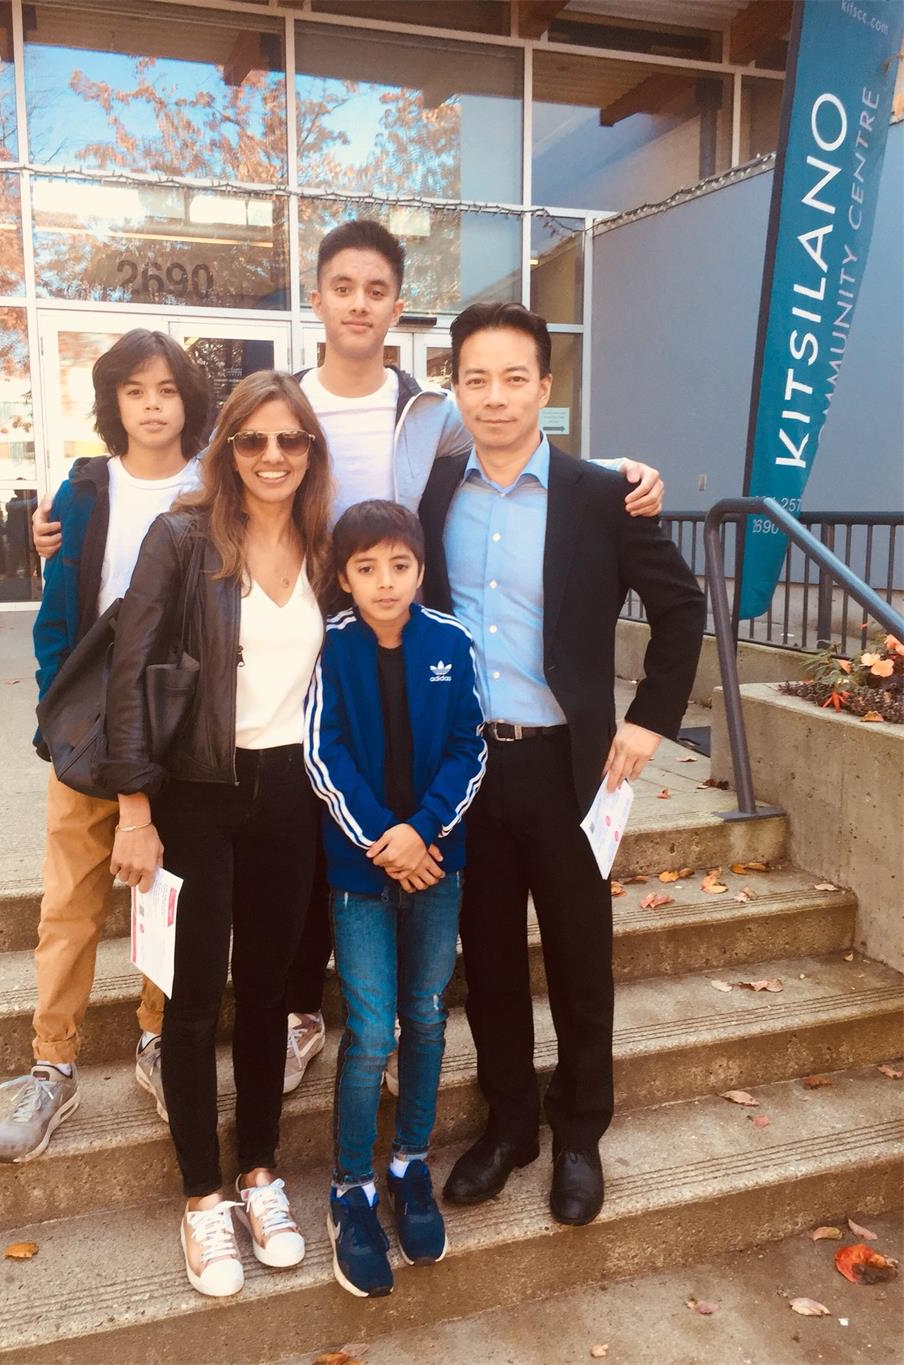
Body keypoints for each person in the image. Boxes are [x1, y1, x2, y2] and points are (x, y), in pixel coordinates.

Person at [33, 219, 667, 1096]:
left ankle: (402, 1024)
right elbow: (187, 487)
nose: (359, 304)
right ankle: (290, 1015)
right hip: (282, 657)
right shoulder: (278, 405)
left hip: (402, 659)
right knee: (301, 850)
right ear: (318, 299)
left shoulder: (432, 415)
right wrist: (67, 521)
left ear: (398, 307)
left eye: (376, 291)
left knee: (392, 830)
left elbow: (512, 454)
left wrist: (612, 471)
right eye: (343, 288)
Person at [418, 303, 706, 1228]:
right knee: (491, 959)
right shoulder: (435, 491)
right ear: (455, 388)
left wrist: (650, 720)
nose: (495, 396)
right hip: (470, 769)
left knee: (581, 959)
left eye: (515, 378)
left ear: (545, 386)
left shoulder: (599, 493)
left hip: (570, 768)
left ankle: (579, 1130)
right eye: (476, 378)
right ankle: (510, 1125)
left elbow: (682, 606)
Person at [99, 371, 332, 1298]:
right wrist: (134, 809)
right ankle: (202, 1194)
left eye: (290, 440)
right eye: (253, 439)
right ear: (227, 447)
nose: (273, 456)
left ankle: (260, 1171)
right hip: (196, 794)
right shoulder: (183, 537)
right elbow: (130, 672)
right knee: (194, 1003)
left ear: (310, 450)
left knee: (270, 994)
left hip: (292, 795)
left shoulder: (323, 541)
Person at [0, 330, 210, 1163]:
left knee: (164, 900)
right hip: (89, 728)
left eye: (167, 389)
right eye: (135, 391)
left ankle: (157, 1037)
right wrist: (57, 715)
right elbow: (57, 613)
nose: (152, 406)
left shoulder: (213, 484)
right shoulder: (84, 489)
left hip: (180, 726)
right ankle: (53, 1062)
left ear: (189, 400)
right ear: (114, 402)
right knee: (70, 904)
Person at [304, 499, 485, 1298]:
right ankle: (350, 1186)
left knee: (427, 1015)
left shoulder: (451, 640)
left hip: (438, 862)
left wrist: (424, 830)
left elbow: (469, 746)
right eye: (367, 567)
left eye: (400, 565)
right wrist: (386, 838)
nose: (385, 582)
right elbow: (324, 752)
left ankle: (410, 1163)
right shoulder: (332, 645)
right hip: (362, 871)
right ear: (344, 577)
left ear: (420, 569)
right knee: (373, 1028)